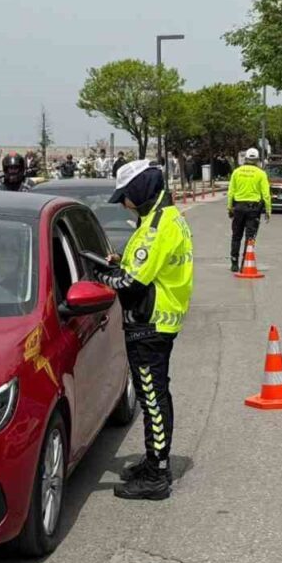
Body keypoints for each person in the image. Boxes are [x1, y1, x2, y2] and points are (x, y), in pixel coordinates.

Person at [92, 161, 194, 500]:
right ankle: (154, 461)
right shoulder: (167, 217)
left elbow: (129, 284)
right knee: (158, 396)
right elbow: (143, 267)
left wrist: (98, 276)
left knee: (152, 399)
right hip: (163, 318)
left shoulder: (156, 227)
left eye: (125, 196)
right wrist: (119, 263)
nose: (123, 203)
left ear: (138, 191)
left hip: (150, 325)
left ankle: (156, 476)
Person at [226, 147, 272, 272]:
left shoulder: (237, 172)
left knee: (236, 236)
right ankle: (245, 262)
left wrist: (229, 208)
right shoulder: (261, 174)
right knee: (250, 237)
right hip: (254, 209)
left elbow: (231, 192)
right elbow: (266, 194)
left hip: (238, 207)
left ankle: (234, 263)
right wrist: (268, 210)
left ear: (245, 158)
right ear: (257, 160)